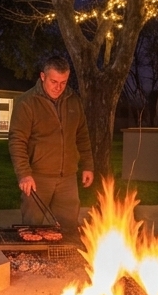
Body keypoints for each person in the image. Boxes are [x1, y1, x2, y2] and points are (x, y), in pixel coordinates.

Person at [7, 55, 94, 235]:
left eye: (64, 82)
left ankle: (67, 262)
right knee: (32, 229)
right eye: (54, 81)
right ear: (43, 76)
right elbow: (17, 140)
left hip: (68, 178)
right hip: (37, 178)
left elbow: (82, 135)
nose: (59, 87)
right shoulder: (27, 103)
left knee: (68, 229)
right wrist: (24, 174)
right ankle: (32, 261)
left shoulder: (73, 100)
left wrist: (88, 165)